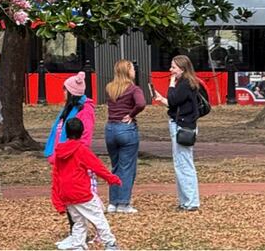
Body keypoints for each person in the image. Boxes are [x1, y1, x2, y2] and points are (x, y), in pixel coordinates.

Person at [51, 118, 122, 251]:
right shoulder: (81, 150)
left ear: (66, 133)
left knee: (79, 221)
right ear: (82, 132)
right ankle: (110, 243)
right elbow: (97, 167)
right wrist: (112, 179)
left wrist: (58, 200)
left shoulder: (59, 152)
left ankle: (78, 245)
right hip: (81, 192)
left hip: (66, 194)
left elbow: (56, 176)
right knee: (98, 217)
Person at [44, 72, 96, 249]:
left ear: (72, 92)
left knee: (76, 200)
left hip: (73, 159)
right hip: (63, 157)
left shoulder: (85, 110)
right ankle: (75, 233)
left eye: (65, 90)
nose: (63, 93)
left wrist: (73, 155)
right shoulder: (67, 110)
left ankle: (80, 235)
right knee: (67, 198)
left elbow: (85, 137)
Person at [153, 55, 201, 212]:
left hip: (182, 126)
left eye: (173, 67)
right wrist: (161, 99)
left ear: (182, 68)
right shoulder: (188, 83)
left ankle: (191, 201)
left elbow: (173, 99)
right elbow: (174, 103)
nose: (171, 70)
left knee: (183, 163)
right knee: (182, 162)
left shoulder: (184, 84)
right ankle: (186, 200)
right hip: (184, 124)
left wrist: (171, 83)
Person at [104, 59, 146, 214]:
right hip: (126, 129)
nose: (135, 71)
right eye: (133, 69)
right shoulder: (134, 89)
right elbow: (141, 104)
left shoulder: (110, 88)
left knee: (115, 166)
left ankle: (112, 202)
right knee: (127, 167)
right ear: (127, 71)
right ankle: (123, 203)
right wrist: (131, 114)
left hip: (110, 128)